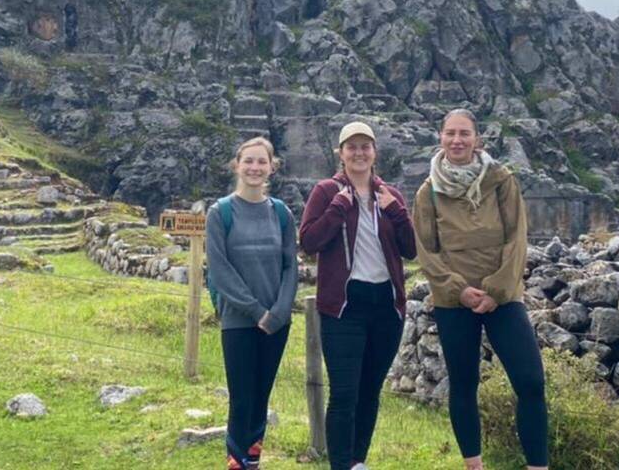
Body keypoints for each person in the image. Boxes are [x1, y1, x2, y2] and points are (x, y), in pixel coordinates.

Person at [411, 109, 548, 470]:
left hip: (502, 298)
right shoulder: (428, 193)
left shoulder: (501, 181)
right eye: (450, 133)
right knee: (464, 382)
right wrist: (459, 290)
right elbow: (428, 251)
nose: (457, 140)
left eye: (464, 134)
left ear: (477, 140)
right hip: (453, 302)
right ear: (440, 137)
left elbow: (516, 238)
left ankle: (538, 466)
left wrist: (495, 290)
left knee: (531, 381)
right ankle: (475, 465)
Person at [299, 121, 417, 470]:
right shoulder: (326, 191)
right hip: (344, 308)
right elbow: (308, 242)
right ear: (341, 152)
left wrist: (395, 211)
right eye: (352, 147)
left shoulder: (390, 194)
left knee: (370, 391)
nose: (359, 153)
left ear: (374, 152)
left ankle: (357, 461)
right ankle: (340, 464)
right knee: (344, 394)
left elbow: (411, 249)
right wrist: (338, 208)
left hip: (385, 307)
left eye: (365, 146)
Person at [206, 136, 299, 470]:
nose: (255, 167)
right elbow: (220, 269)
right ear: (237, 165)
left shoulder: (282, 213)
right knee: (242, 397)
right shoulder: (221, 213)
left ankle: (252, 461)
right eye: (249, 161)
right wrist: (257, 311)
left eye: (262, 162)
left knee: (261, 396)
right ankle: (236, 461)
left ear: (272, 167)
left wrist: (280, 311)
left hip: (276, 321)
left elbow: (291, 265)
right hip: (239, 320)